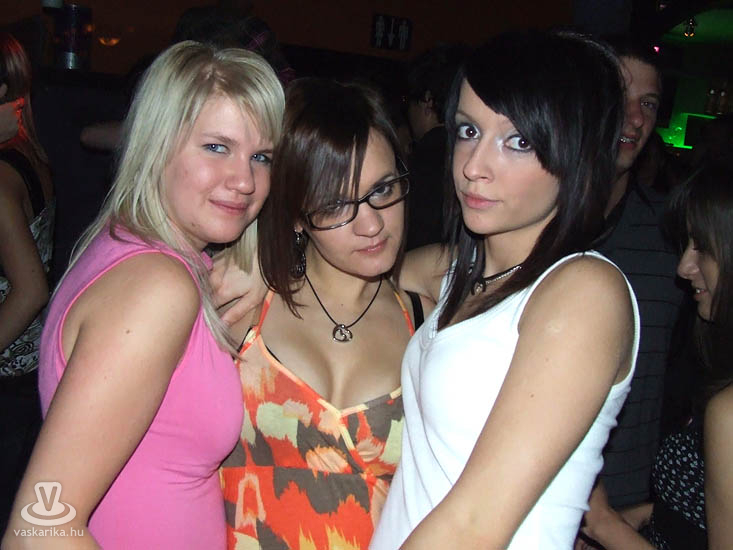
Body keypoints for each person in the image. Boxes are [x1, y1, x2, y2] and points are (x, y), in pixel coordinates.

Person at [2, 40, 284, 549]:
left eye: (260, 156)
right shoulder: (157, 286)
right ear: (158, 144)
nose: (245, 180)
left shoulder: (141, 247)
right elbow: (39, 529)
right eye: (216, 147)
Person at [369, 30, 639, 550]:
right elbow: (344, 273)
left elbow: (475, 526)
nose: (474, 166)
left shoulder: (584, 291)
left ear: (576, 153)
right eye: (469, 130)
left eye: (519, 142)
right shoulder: (459, 273)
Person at [219, 78, 431, 550]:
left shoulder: (427, 324)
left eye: (383, 189)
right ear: (297, 215)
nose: (372, 223)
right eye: (336, 204)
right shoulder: (239, 305)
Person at [577, 163, 733, 550]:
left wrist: (605, 525)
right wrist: (647, 515)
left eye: (703, 248)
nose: (684, 267)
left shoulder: (729, 413)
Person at [594, 36, 685, 511]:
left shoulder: (673, 235)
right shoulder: (522, 221)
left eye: (648, 104)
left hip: (626, 506)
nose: (635, 118)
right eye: (620, 96)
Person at [0, 33, 54, 534]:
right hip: (27, 372)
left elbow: (30, 289)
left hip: (9, 378)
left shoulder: (1, 174)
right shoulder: (28, 148)